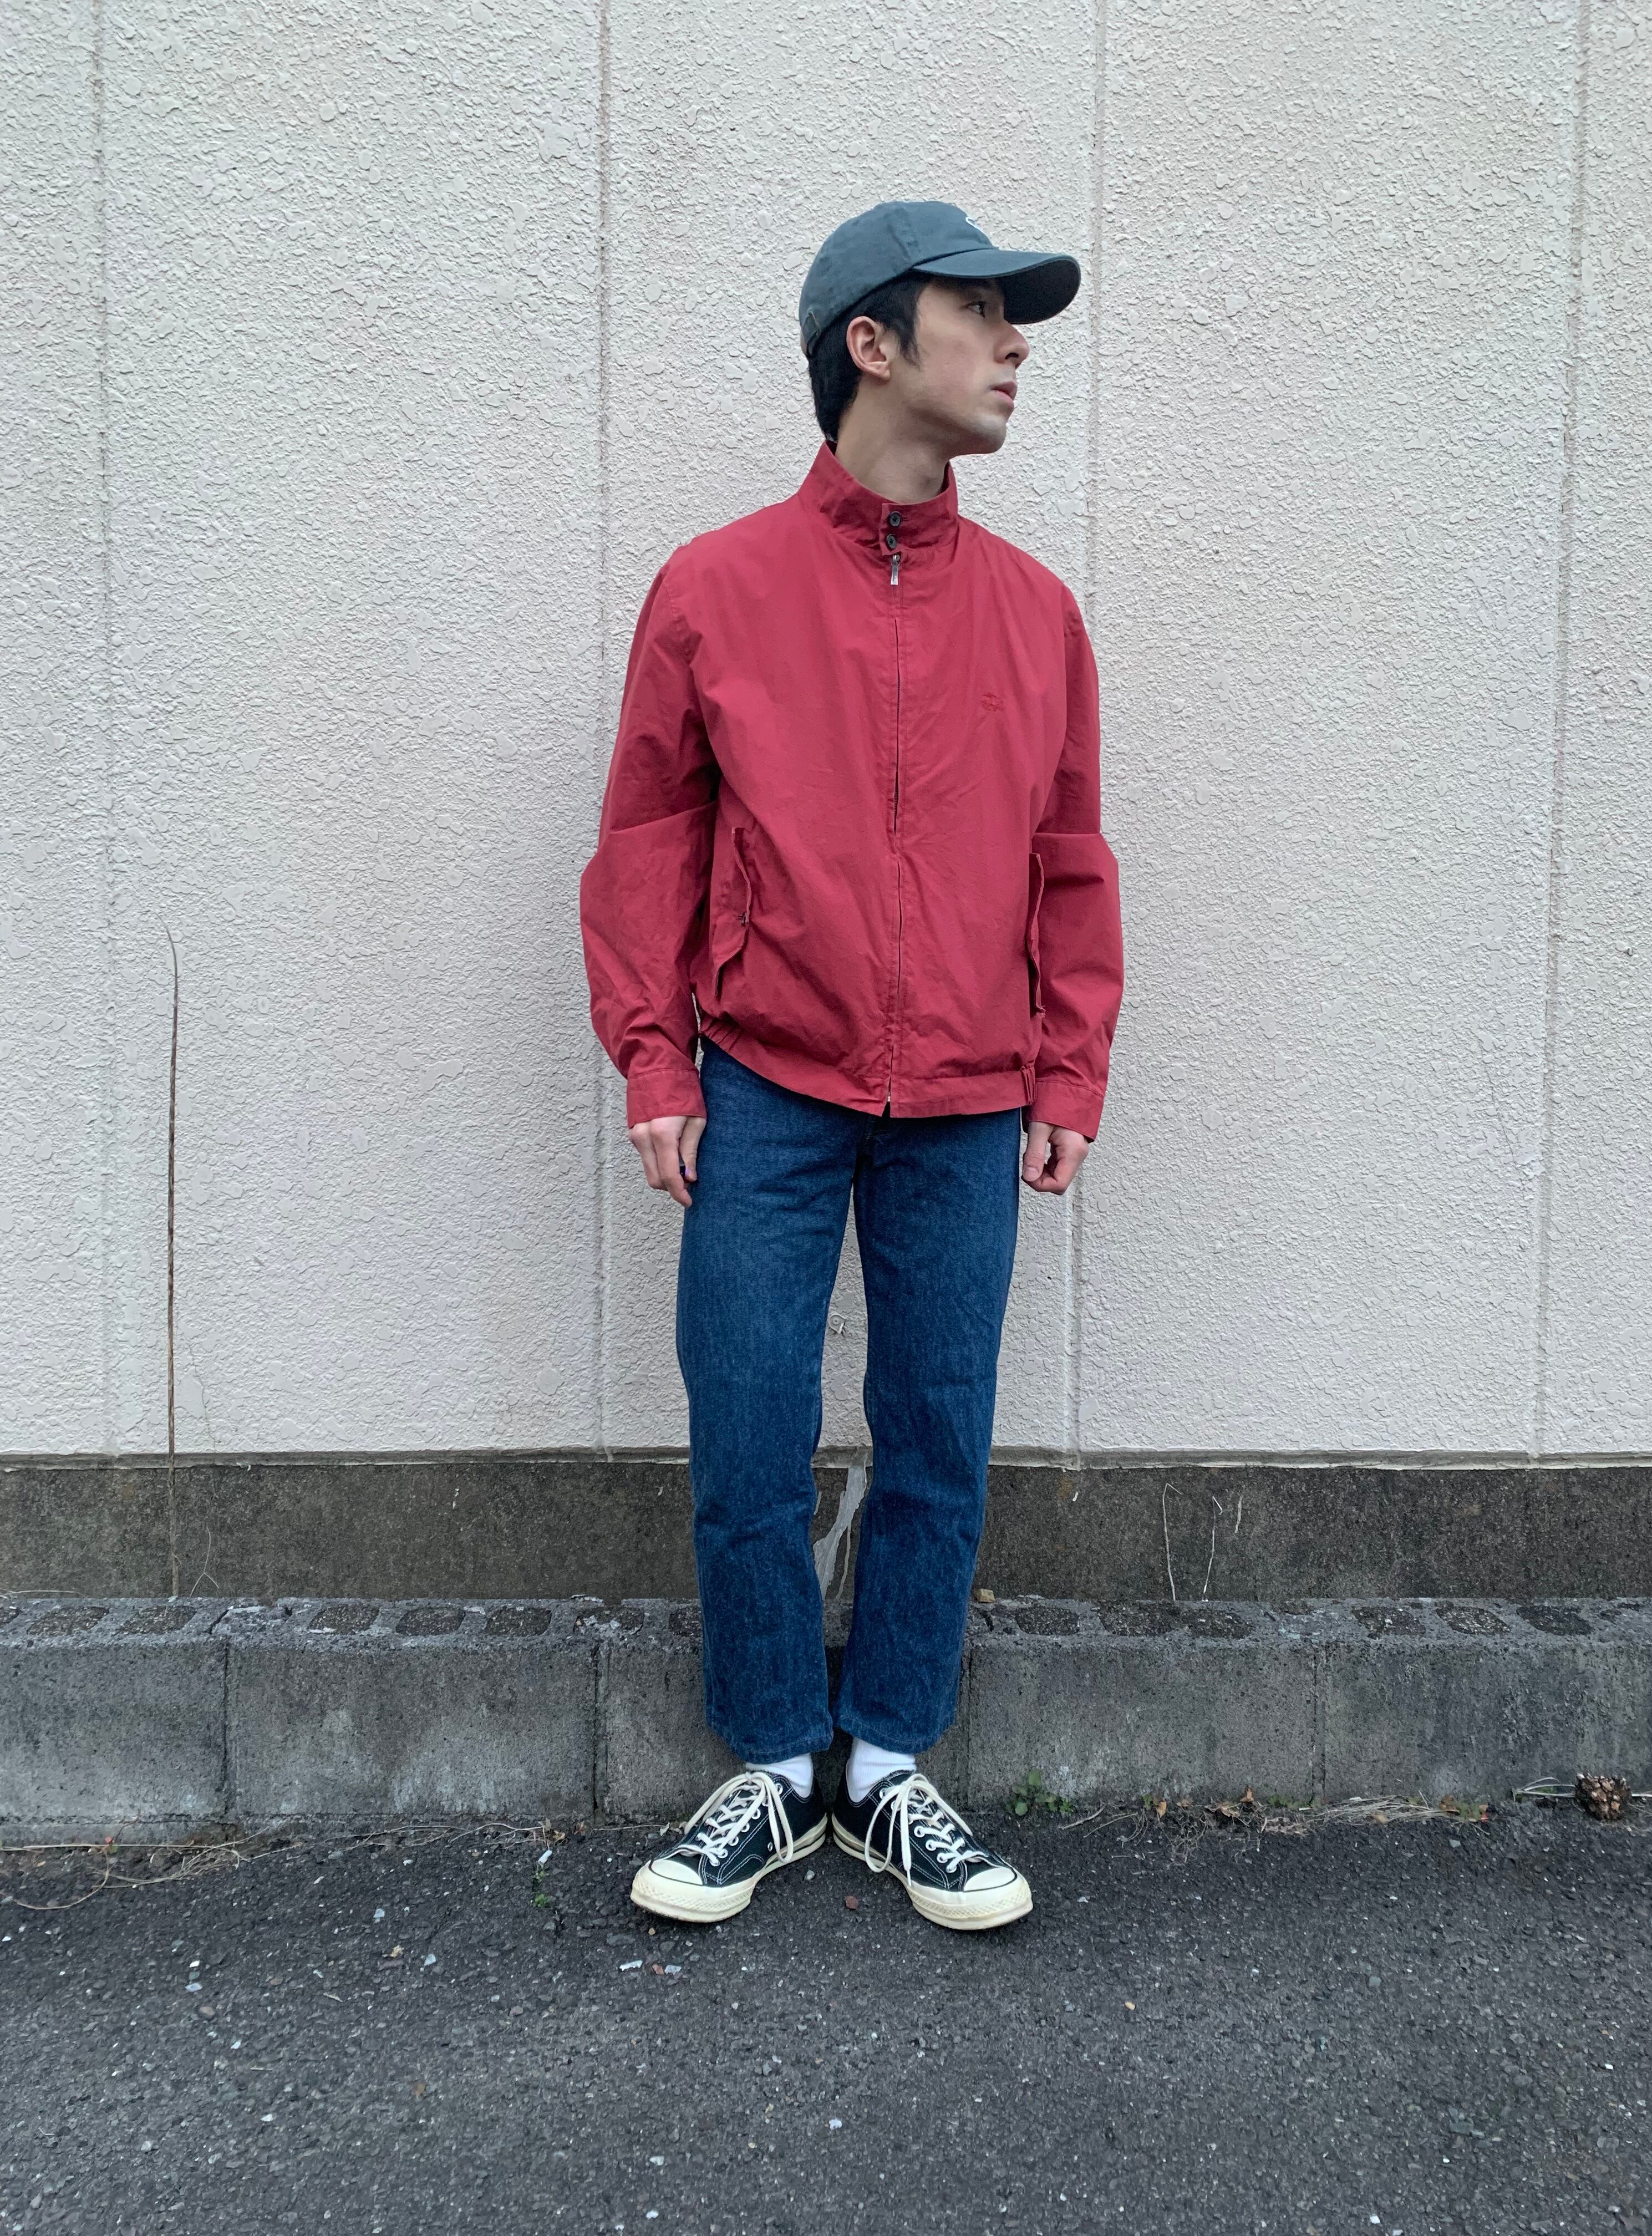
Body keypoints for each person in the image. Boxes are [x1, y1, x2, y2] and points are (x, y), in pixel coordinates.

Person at [578, 200, 1124, 1933]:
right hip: (766, 1081)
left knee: (937, 1432)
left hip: (968, 1098)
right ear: (871, 344)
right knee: (747, 1426)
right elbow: (650, 836)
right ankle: (772, 1763)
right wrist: (657, 1056)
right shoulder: (718, 588)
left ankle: (884, 1766)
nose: (1016, 345)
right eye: (982, 312)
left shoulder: (1035, 614)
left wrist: (1068, 1068)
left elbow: (1070, 859)